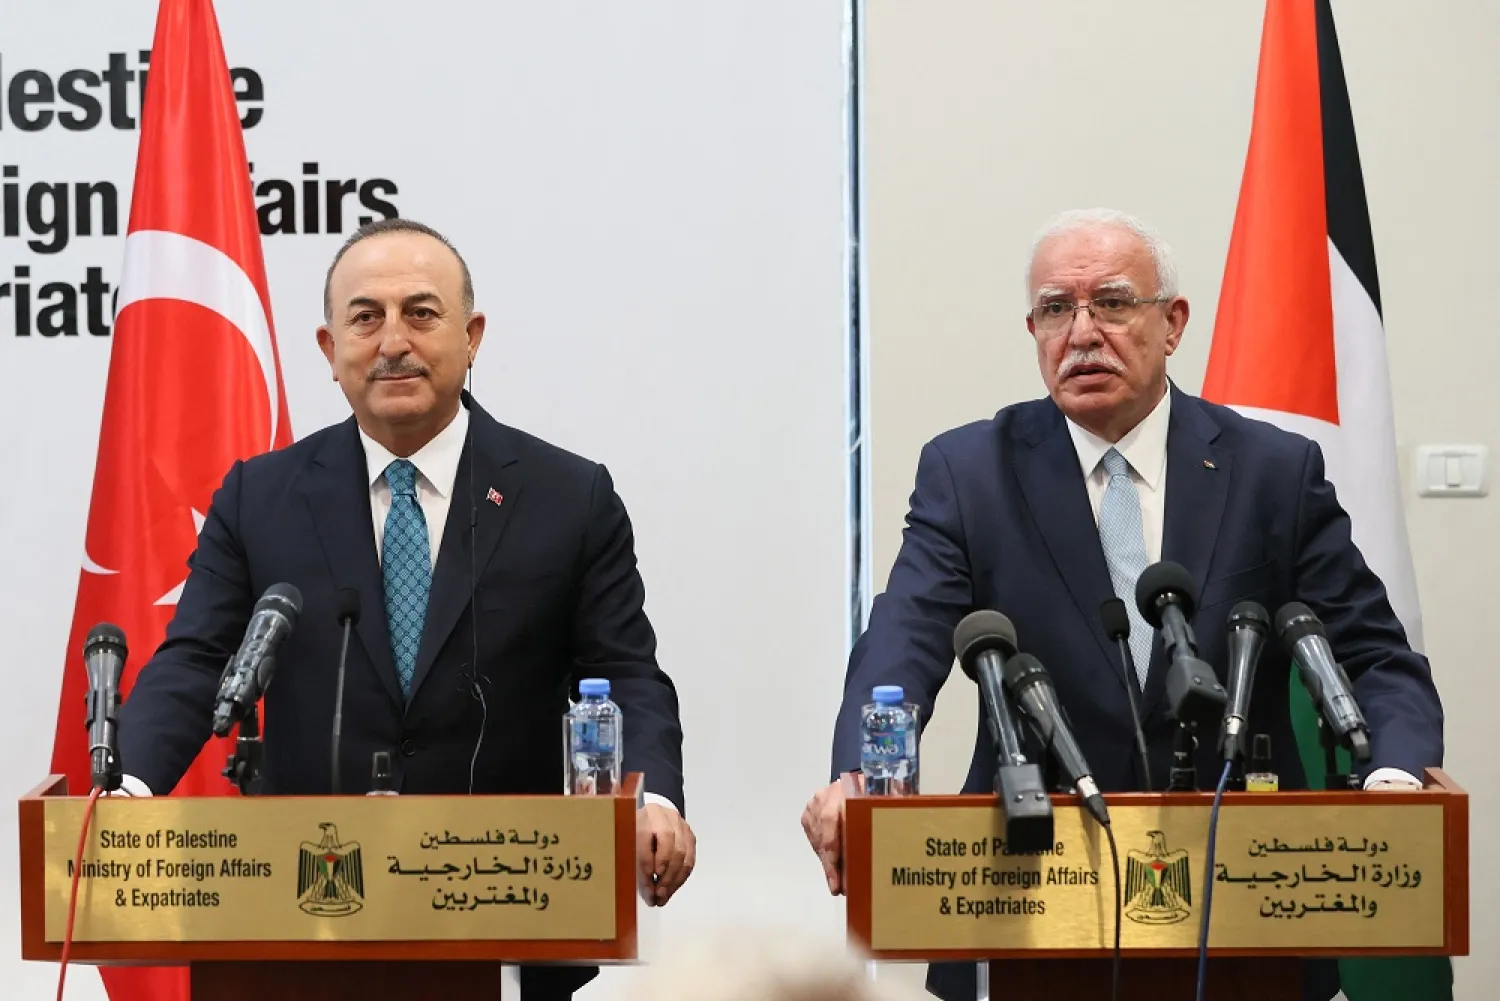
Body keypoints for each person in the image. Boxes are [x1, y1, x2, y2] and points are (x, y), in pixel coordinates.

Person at [800, 208, 1443, 1001]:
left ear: (1172, 323)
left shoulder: (1271, 470)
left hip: (1244, 903)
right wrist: (864, 773)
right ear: (1032, 328)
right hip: (1027, 892)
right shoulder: (971, 471)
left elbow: (1375, 654)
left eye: (1111, 302)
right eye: (1056, 309)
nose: (1081, 332)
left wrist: (1393, 783)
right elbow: (904, 636)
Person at [116, 218, 695, 1000]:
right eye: (366, 318)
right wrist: (131, 793)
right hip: (308, 915)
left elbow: (624, 669)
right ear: (328, 350)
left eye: (421, 313)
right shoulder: (262, 496)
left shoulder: (567, 496)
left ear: (471, 334)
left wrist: (650, 793)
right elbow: (196, 657)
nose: (393, 340)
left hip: (509, 916)